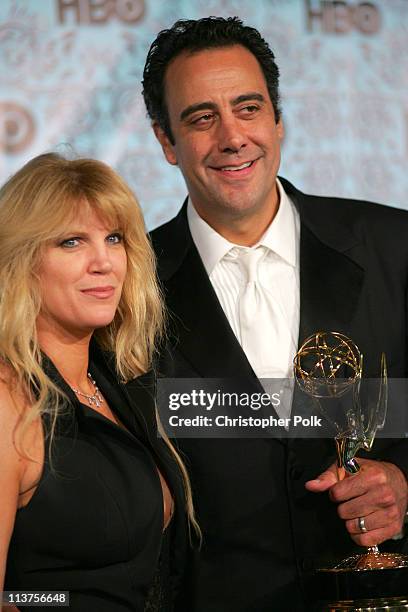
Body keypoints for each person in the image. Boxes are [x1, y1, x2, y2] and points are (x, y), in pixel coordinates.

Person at [142, 16, 408, 611]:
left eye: (248, 107)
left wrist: (406, 487)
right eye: (201, 117)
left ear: (278, 119)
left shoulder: (394, 247)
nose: (232, 136)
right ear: (165, 140)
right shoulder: (127, 287)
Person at [0, 153, 198, 612]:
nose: (103, 261)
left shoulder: (118, 382)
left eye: (114, 238)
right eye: (71, 242)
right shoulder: (10, 395)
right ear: (21, 261)